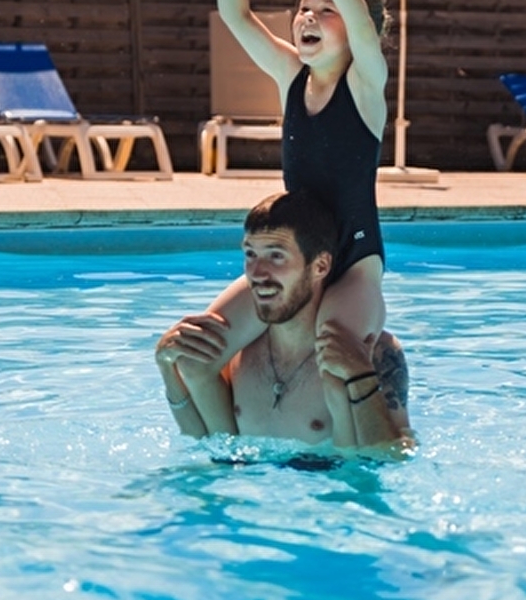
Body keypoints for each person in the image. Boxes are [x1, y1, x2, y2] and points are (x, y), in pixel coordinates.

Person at [186, 0, 389, 382]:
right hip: (293, 260)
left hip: (353, 263)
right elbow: (238, 17)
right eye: (303, 9)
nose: (308, 18)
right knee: (196, 351)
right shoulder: (291, 76)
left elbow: (362, 27)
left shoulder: (364, 85)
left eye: (327, 10)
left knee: (336, 355)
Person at [155, 192, 412, 453]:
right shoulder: (237, 355)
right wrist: (167, 369)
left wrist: (362, 377)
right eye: (250, 254)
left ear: (320, 266)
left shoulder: (371, 352)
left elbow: (396, 455)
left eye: (276, 256)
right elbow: (206, 443)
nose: (257, 273)